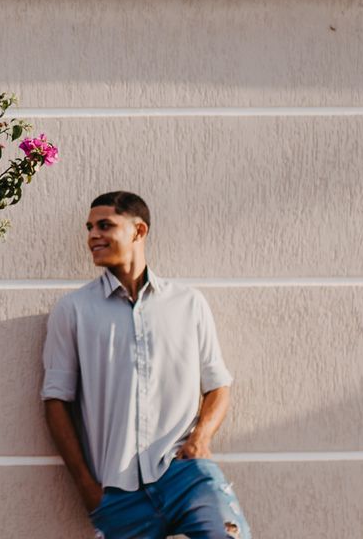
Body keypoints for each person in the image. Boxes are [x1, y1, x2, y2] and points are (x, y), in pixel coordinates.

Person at [41, 191, 249, 538]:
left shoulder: (188, 303)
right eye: (90, 227)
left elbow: (218, 385)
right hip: (116, 493)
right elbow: (55, 401)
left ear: (139, 231)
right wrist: (87, 489)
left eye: (105, 225)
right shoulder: (73, 310)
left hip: (186, 477)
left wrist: (200, 439)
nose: (93, 235)